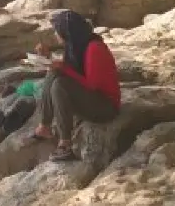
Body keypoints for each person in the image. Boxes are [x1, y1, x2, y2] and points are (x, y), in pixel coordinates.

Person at [29, 10, 121, 162]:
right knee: (54, 74)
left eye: (57, 31)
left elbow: (92, 85)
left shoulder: (94, 49)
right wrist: (47, 59)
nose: (55, 35)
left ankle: (65, 144)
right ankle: (44, 127)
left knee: (60, 85)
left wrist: (63, 68)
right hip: (92, 100)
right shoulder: (75, 46)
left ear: (67, 32)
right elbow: (71, 71)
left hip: (106, 106)